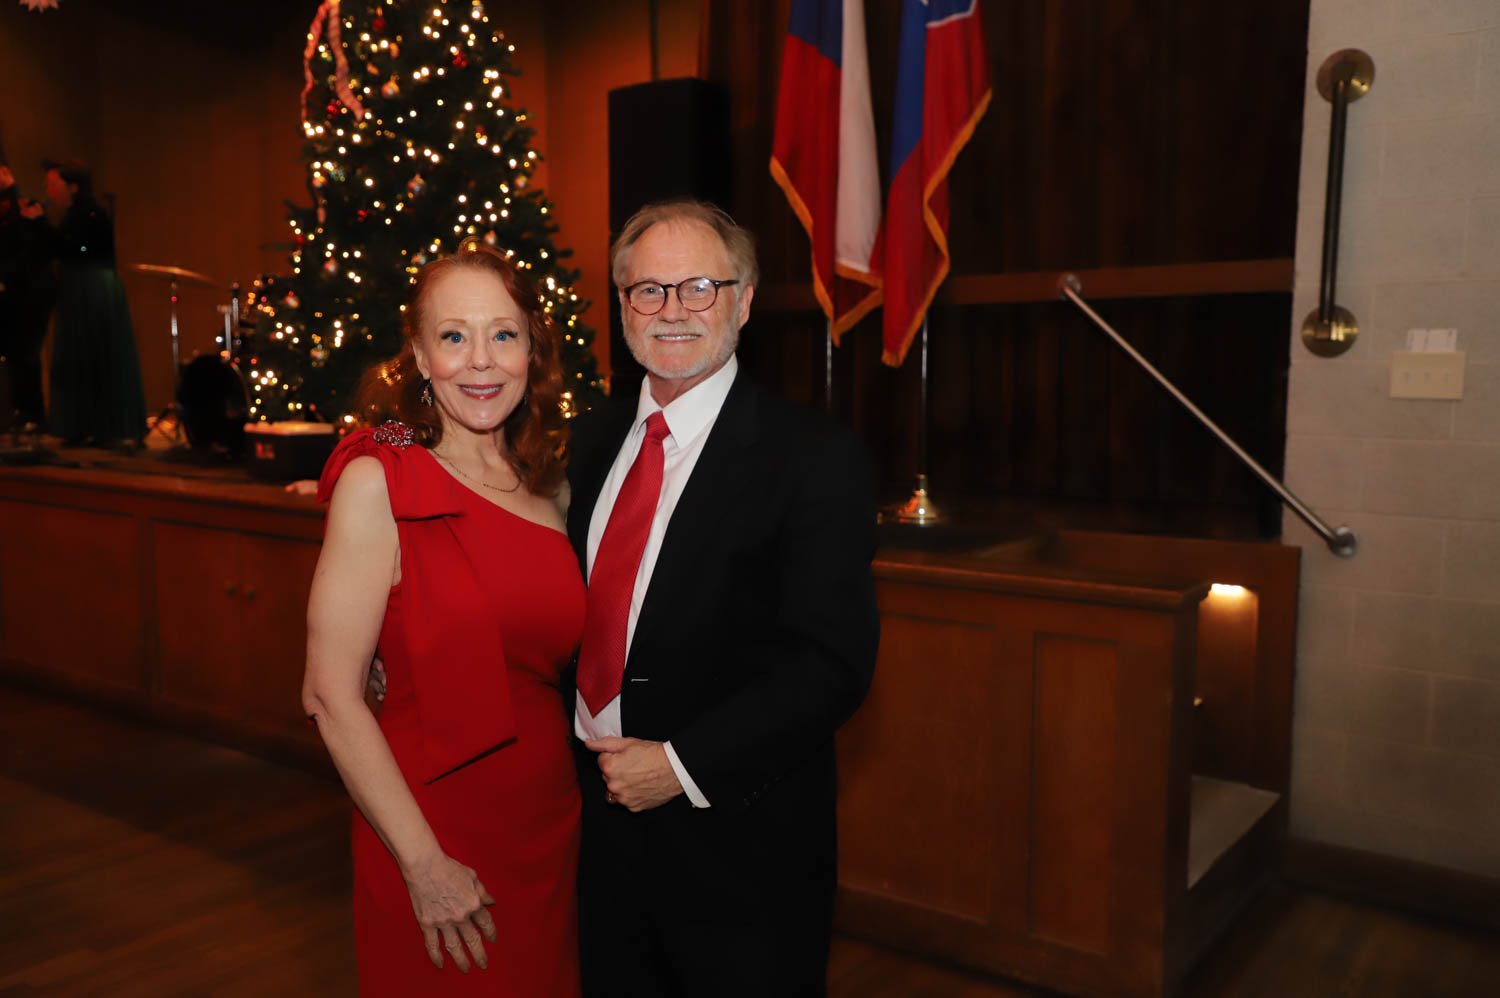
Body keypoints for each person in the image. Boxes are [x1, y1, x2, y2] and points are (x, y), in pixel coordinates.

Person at [566, 199, 880, 996]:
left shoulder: (815, 457)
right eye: (648, 290)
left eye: (699, 287)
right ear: (623, 305)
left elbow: (831, 664)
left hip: (741, 851)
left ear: (742, 302)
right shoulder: (588, 441)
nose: (672, 310)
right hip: (594, 837)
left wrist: (679, 766)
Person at [304, 239, 584, 996]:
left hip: (547, 822)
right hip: (428, 828)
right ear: (421, 357)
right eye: (454, 336)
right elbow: (329, 694)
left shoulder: (550, 486)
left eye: (504, 334)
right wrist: (423, 864)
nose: (481, 361)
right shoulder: (380, 479)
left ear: (532, 351)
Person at [42, 158, 146, 445]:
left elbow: (77, 248)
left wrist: (41, 225)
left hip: (91, 290)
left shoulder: (90, 215)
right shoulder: (74, 215)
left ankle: (102, 426)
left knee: (95, 352)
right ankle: (83, 426)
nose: (48, 190)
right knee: (81, 356)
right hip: (81, 289)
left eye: (53, 184)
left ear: (73, 187)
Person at [0, 161, 56, 430]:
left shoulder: (25, 205)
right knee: (14, 354)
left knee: (26, 353)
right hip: (12, 291)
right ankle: (19, 412)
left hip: (31, 292)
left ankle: (32, 415)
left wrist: (12, 190)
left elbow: (29, 243)